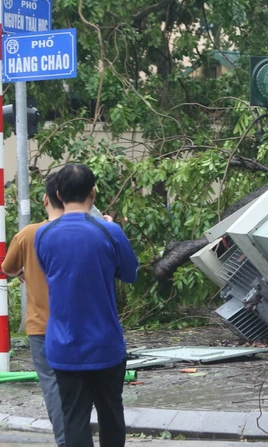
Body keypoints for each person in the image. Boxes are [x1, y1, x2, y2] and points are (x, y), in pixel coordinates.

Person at [35, 164, 139, 447]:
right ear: (93, 192)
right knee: (111, 416)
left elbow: (53, 273)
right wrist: (108, 227)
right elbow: (130, 273)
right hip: (105, 344)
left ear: (57, 194)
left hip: (63, 346)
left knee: (74, 419)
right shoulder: (109, 231)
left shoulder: (42, 236)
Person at [1, 172, 66, 446]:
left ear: (46, 199)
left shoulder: (28, 233)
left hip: (42, 326)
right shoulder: (89, 231)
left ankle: (66, 440)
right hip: (79, 323)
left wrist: (21, 272)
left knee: (51, 383)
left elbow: (8, 267)